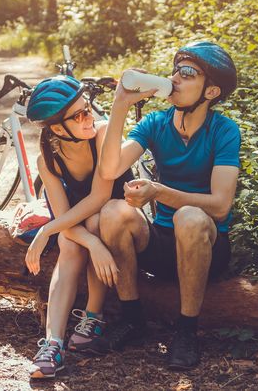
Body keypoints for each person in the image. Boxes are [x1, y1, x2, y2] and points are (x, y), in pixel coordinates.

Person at [97, 41, 241, 370]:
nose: (175, 77)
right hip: (162, 244)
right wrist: (120, 103)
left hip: (207, 243)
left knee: (190, 217)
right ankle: (132, 320)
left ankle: (187, 331)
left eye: (188, 73)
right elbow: (109, 169)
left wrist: (158, 192)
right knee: (112, 212)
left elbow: (219, 206)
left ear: (210, 91)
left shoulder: (224, 130)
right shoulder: (155, 123)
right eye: (175, 69)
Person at [24, 75, 134, 379]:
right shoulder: (48, 157)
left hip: (117, 219)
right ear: (59, 128)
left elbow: (100, 196)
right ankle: (53, 343)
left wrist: (48, 230)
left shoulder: (101, 135)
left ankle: (93, 316)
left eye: (89, 108)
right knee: (70, 242)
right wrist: (88, 244)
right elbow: (65, 221)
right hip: (80, 226)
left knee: (94, 221)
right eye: (81, 114)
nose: (91, 117)